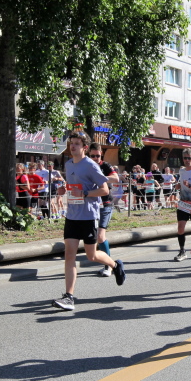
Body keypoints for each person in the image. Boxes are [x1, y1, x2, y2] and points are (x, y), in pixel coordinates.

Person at [52, 131, 125, 311]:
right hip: (72, 215)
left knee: (91, 256)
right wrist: (64, 189)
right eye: (71, 143)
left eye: (77, 143)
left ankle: (115, 265)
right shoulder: (68, 164)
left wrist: (85, 193)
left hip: (89, 216)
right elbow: (73, 186)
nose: (73, 146)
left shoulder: (91, 165)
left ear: (84, 147)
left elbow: (104, 190)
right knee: (69, 256)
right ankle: (69, 296)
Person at [88, 142, 119, 277]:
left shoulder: (105, 166)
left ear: (101, 154)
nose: (95, 158)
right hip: (91, 205)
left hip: (105, 204)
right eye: (93, 156)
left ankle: (109, 266)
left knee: (101, 236)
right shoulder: (86, 166)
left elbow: (115, 178)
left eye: (98, 156)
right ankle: (108, 262)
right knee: (95, 237)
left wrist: (101, 178)